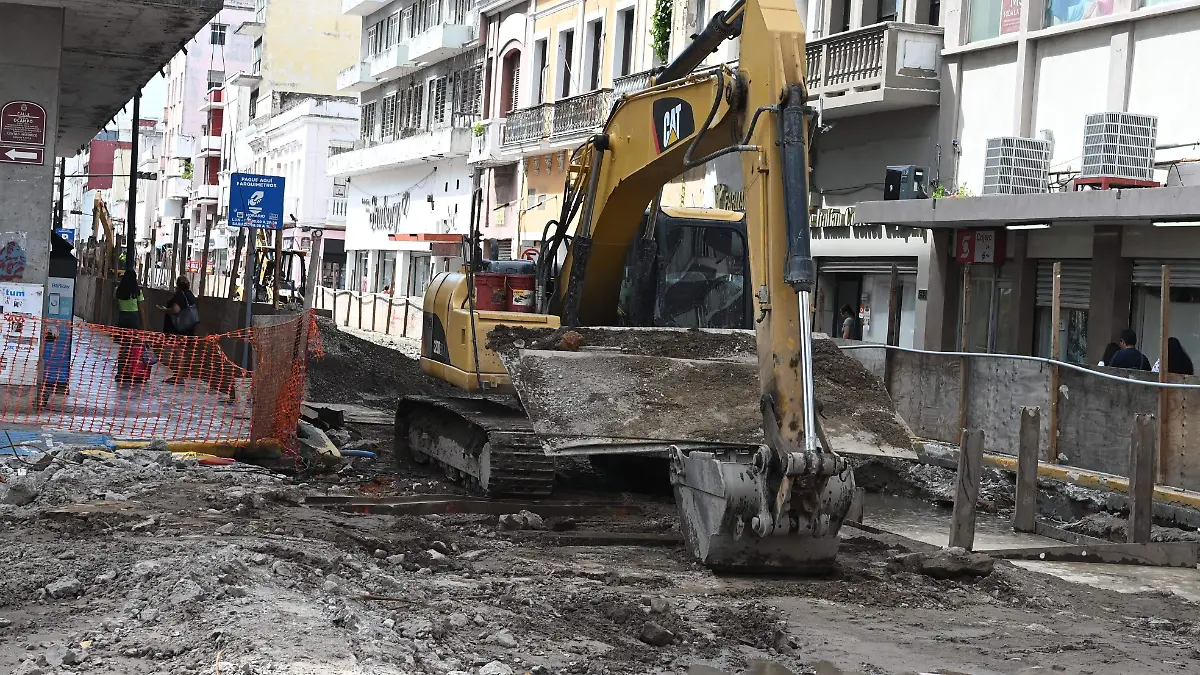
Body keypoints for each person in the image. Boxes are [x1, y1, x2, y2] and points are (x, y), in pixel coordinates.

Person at [158, 276, 200, 385]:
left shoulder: (180, 295)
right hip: (189, 327)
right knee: (181, 351)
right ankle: (178, 375)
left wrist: (165, 310)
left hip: (180, 328)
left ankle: (179, 376)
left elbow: (176, 309)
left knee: (179, 351)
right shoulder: (190, 294)